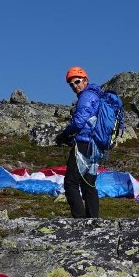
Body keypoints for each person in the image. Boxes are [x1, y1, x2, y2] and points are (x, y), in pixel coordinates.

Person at [54, 66, 101, 218]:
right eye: (71, 84)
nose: (75, 86)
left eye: (77, 81)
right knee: (88, 184)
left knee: (70, 183)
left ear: (85, 80)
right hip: (96, 147)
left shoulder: (86, 97)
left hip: (83, 144)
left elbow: (79, 122)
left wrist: (64, 134)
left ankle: (80, 222)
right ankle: (93, 220)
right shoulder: (97, 96)